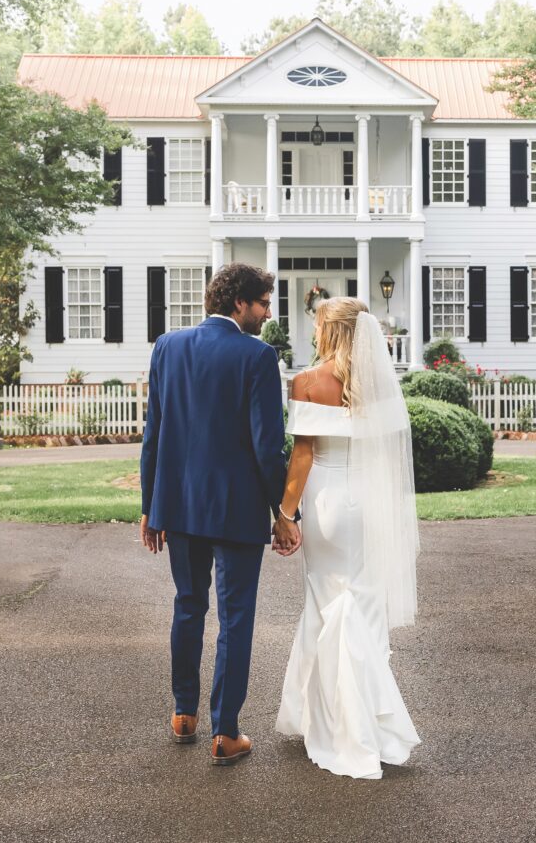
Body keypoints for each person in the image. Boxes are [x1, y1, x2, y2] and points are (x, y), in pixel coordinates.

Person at [140, 262, 300, 767]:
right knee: (235, 619)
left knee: (188, 605)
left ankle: (183, 713)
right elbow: (266, 444)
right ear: (239, 304)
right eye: (263, 303)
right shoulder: (257, 356)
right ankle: (225, 732)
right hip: (236, 510)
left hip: (179, 507)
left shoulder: (167, 347)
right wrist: (283, 512)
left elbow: (154, 435)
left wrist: (150, 507)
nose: (267, 313)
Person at [275, 297, 421, 779]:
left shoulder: (308, 382)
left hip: (328, 503)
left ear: (329, 331)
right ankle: (372, 724)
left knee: (326, 600)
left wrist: (285, 513)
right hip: (372, 501)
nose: (315, 334)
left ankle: (339, 722)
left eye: (317, 326)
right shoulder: (379, 384)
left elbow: (303, 456)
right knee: (365, 603)